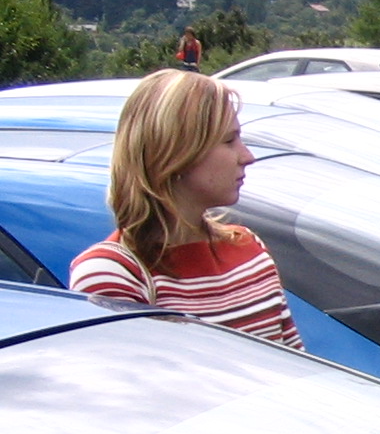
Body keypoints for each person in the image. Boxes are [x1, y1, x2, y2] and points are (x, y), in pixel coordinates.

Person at [68, 68, 303, 348]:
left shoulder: (249, 247)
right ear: (175, 153)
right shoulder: (113, 274)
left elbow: (293, 362)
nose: (247, 157)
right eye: (229, 141)